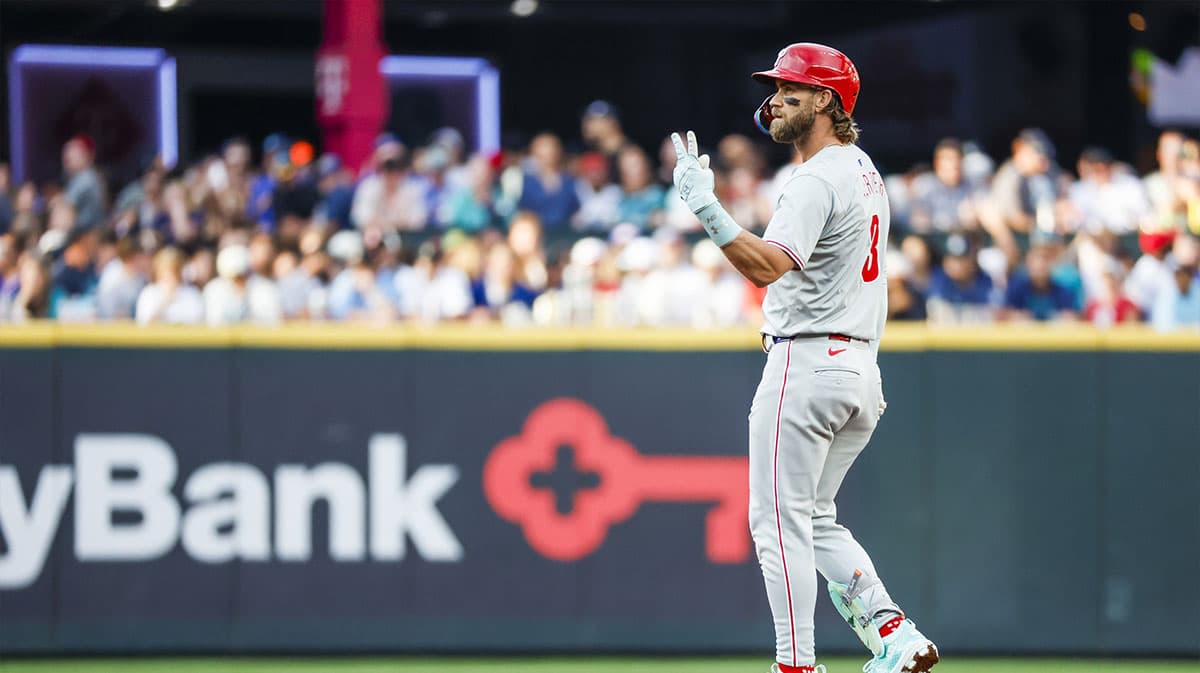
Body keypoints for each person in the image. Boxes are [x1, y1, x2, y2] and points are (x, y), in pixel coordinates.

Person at [671, 43, 937, 673]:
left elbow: (768, 266)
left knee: (775, 527)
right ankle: (893, 632)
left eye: (792, 89)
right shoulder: (864, 168)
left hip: (807, 363)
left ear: (826, 100)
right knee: (815, 519)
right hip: (859, 371)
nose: (776, 99)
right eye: (775, 88)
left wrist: (707, 208)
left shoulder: (815, 177)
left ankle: (796, 665)